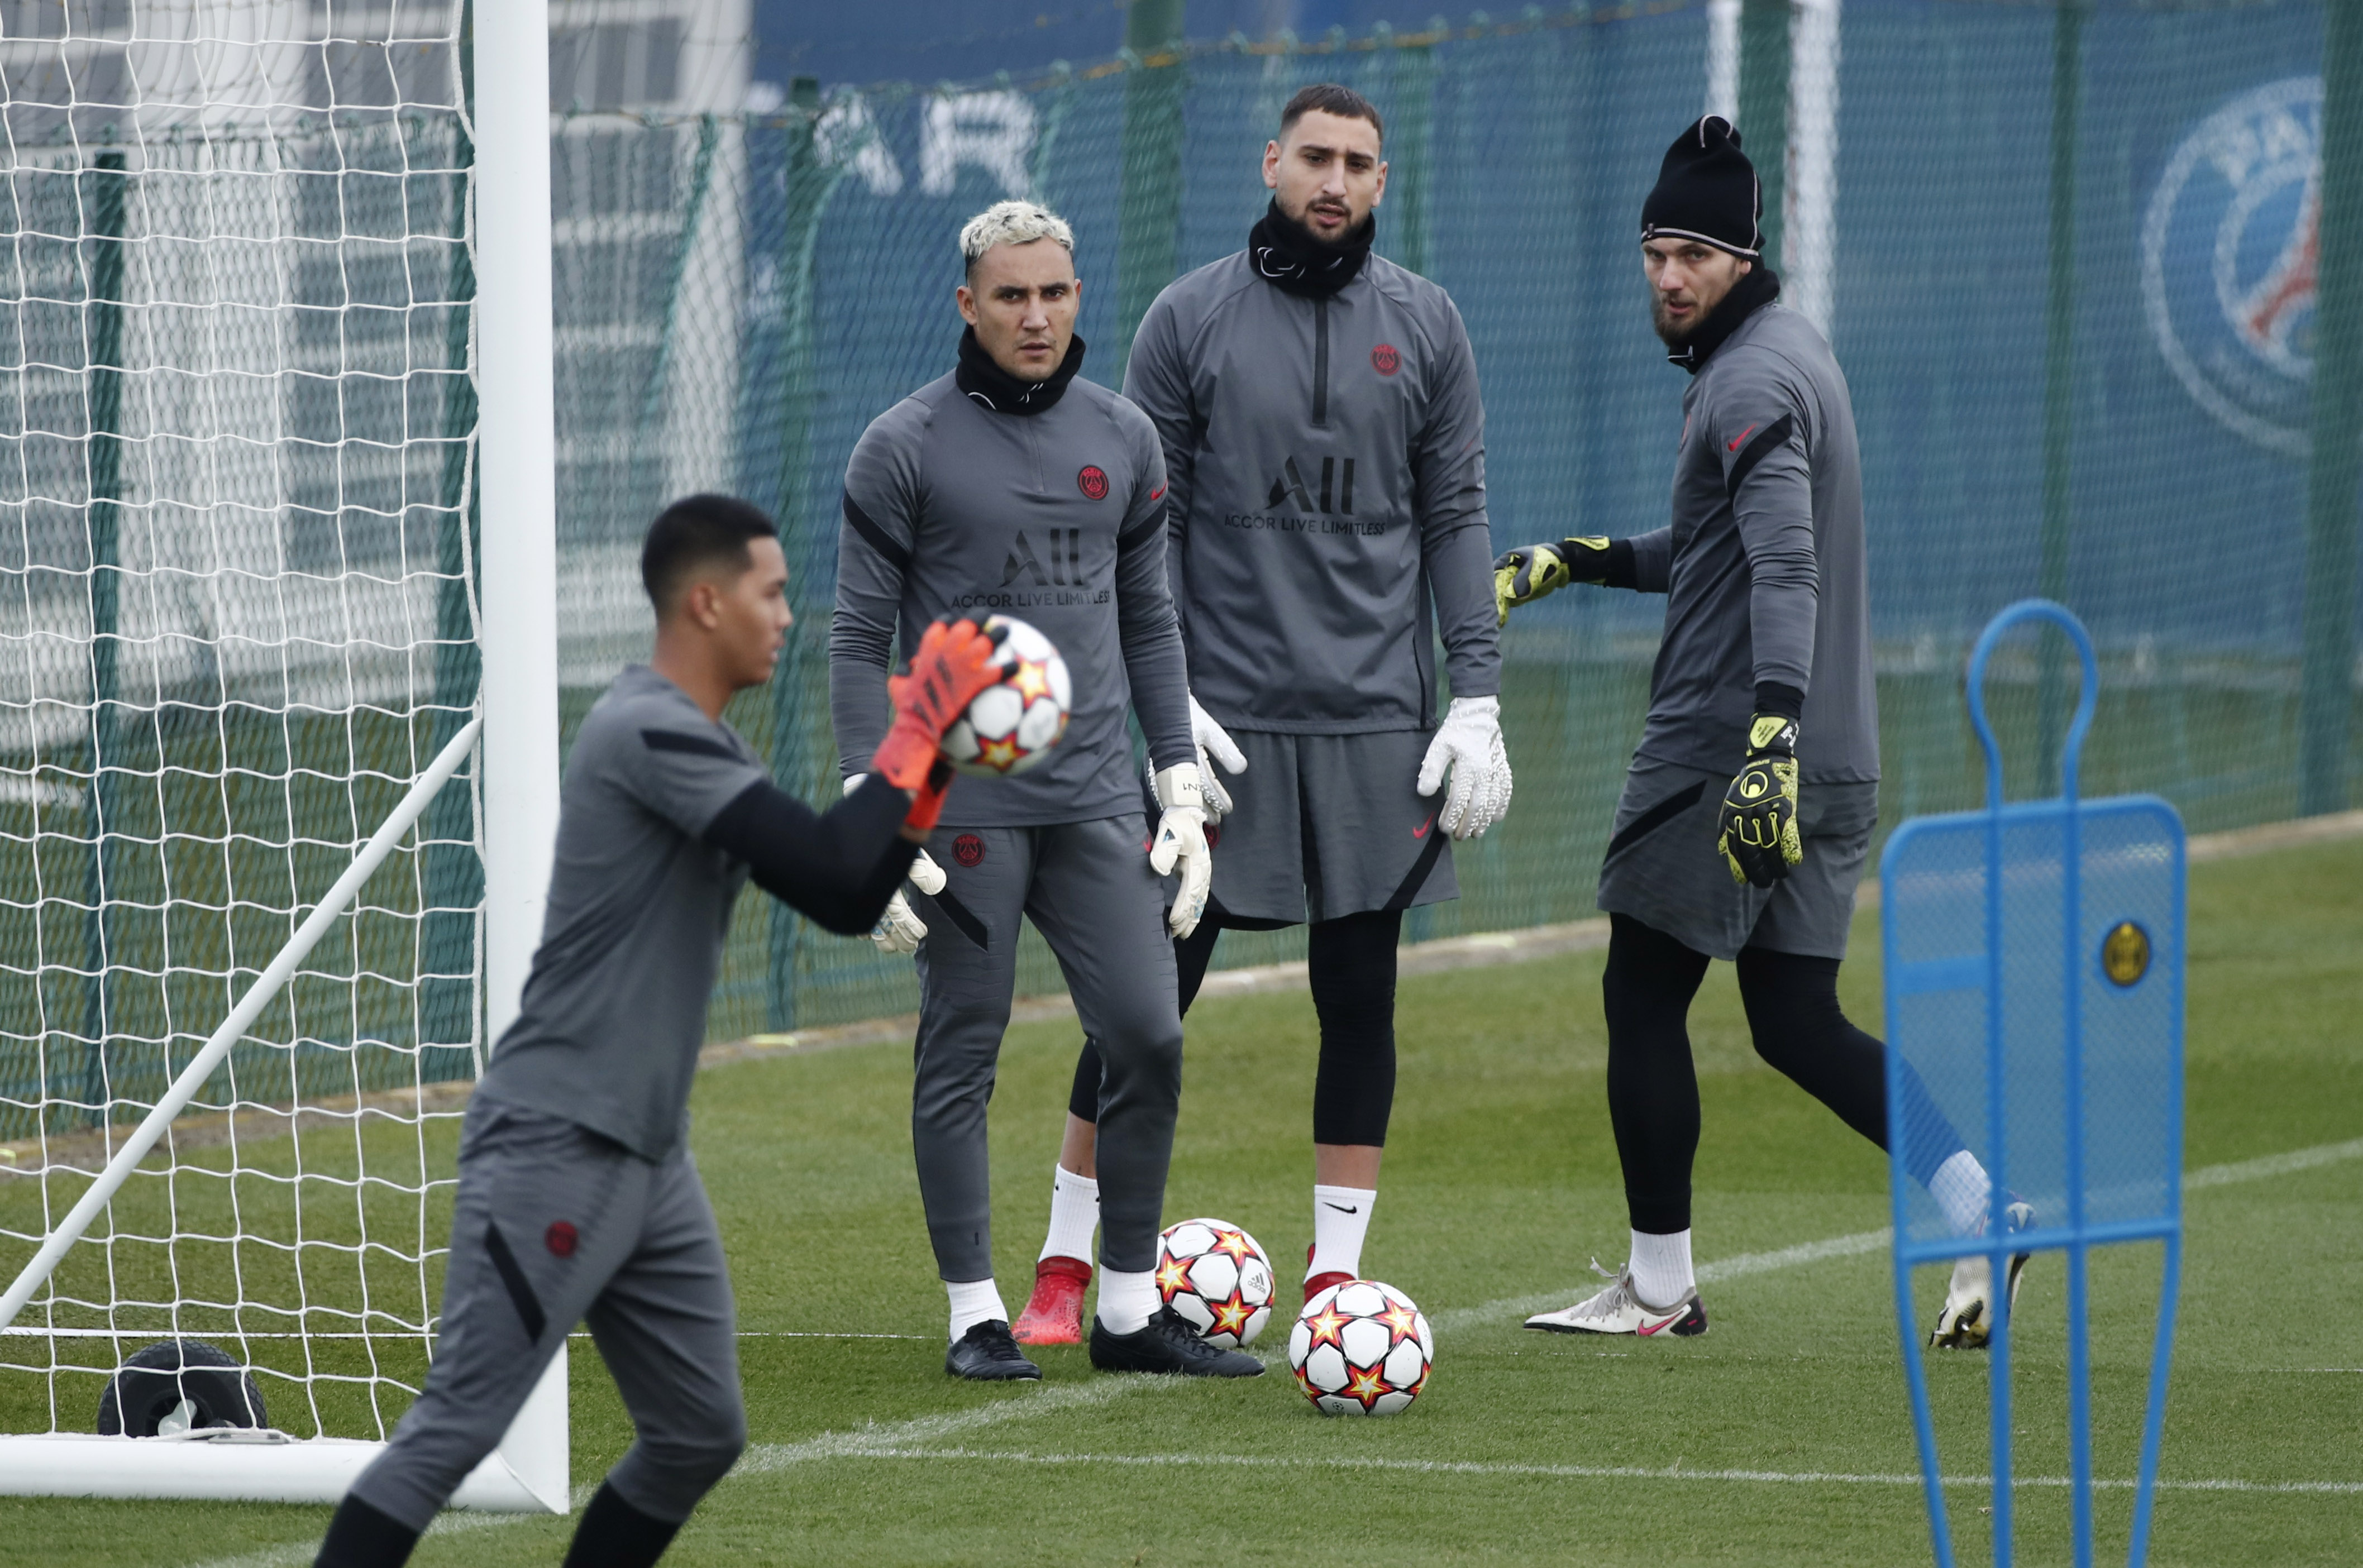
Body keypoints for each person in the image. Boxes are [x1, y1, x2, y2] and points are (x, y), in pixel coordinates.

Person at [313, 496, 1002, 1568]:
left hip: (647, 1157)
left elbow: (845, 896)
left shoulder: (704, 739)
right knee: (454, 1432)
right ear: (705, 600)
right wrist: (920, 731)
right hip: (557, 1141)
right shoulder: (646, 730)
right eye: (772, 595)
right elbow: (828, 868)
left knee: (696, 1433)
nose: (788, 617)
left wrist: (938, 756)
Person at [1495, 117, 2022, 1346]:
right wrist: (1589, 561)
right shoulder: (1788, 352)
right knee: (1793, 1023)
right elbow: (1729, 547)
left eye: (1693, 253)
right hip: (1835, 757)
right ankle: (1985, 1207)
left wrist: (1766, 742)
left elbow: (1784, 565)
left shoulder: (1744, 380)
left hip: (1736, 750)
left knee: (1641, 993)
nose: (1668, 276)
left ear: (1742, 255)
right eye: (1652, 252)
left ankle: (1660, 1287)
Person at [1011, 83, 1510, 1347]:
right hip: (1218, 732)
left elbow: (1454, 517)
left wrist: (1481, 694)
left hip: (1377, 731)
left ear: (1381, 182)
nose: (1334, 182)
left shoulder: (1431, 326)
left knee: (1360, 997)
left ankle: (1337, 1279)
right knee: (1141, 998)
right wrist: (1160, 698)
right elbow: (1139, 526)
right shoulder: (1188, 321)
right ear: (1271, 162)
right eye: (1315, 159)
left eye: (1358, 163)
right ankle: (1066, 1266)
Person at [830, 200, 1259, 1381]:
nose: (1035, 314)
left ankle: (1125, 1312)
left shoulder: (1124, 437)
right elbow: (860, 637)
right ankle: (974, 1312)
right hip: (960, 810)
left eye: (1054, 293)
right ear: (967, 305)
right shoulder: (901, 444)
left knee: (1147, 1034)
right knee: (962, 1045)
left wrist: (1172, 771)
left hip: (1093, 805)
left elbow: (1150, 618)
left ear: (1080, 298)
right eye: (1011, 295)